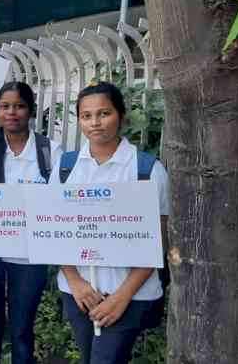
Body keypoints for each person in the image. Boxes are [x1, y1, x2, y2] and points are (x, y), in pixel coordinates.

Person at [57, 82, 169, 364]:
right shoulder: (65, 168)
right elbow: (52, 231)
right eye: (86, 115)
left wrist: (122, 297)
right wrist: (75, 280)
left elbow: (157, 242)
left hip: (130, 296)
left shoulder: (147, 170)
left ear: (121, 114)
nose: (95, 122)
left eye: (104, 113)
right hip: (78, 294)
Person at [0, 81, 63, 364]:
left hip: (30, 257)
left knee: (21, 332)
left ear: (30, 111)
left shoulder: (49, 152)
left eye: (19, 106)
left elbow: (56, 206)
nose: (12, 112)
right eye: (5, 106)